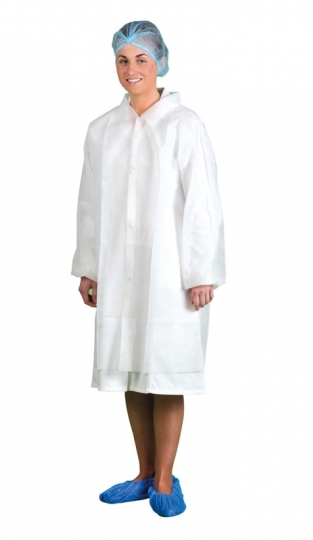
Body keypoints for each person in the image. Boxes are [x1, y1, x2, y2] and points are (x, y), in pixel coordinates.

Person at [71, 20, 226, 518]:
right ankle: (142, 473)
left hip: (170, 274)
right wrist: (90, 268)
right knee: (131, 372)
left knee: (166, 371)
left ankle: (164, 479)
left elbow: (202, 203)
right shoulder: (102, 130)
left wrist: (201, 271)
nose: (131, 69)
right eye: (122, 60)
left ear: (160, 63)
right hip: (119, 270)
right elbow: (90, 204)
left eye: (141, 59)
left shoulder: (184, 125)